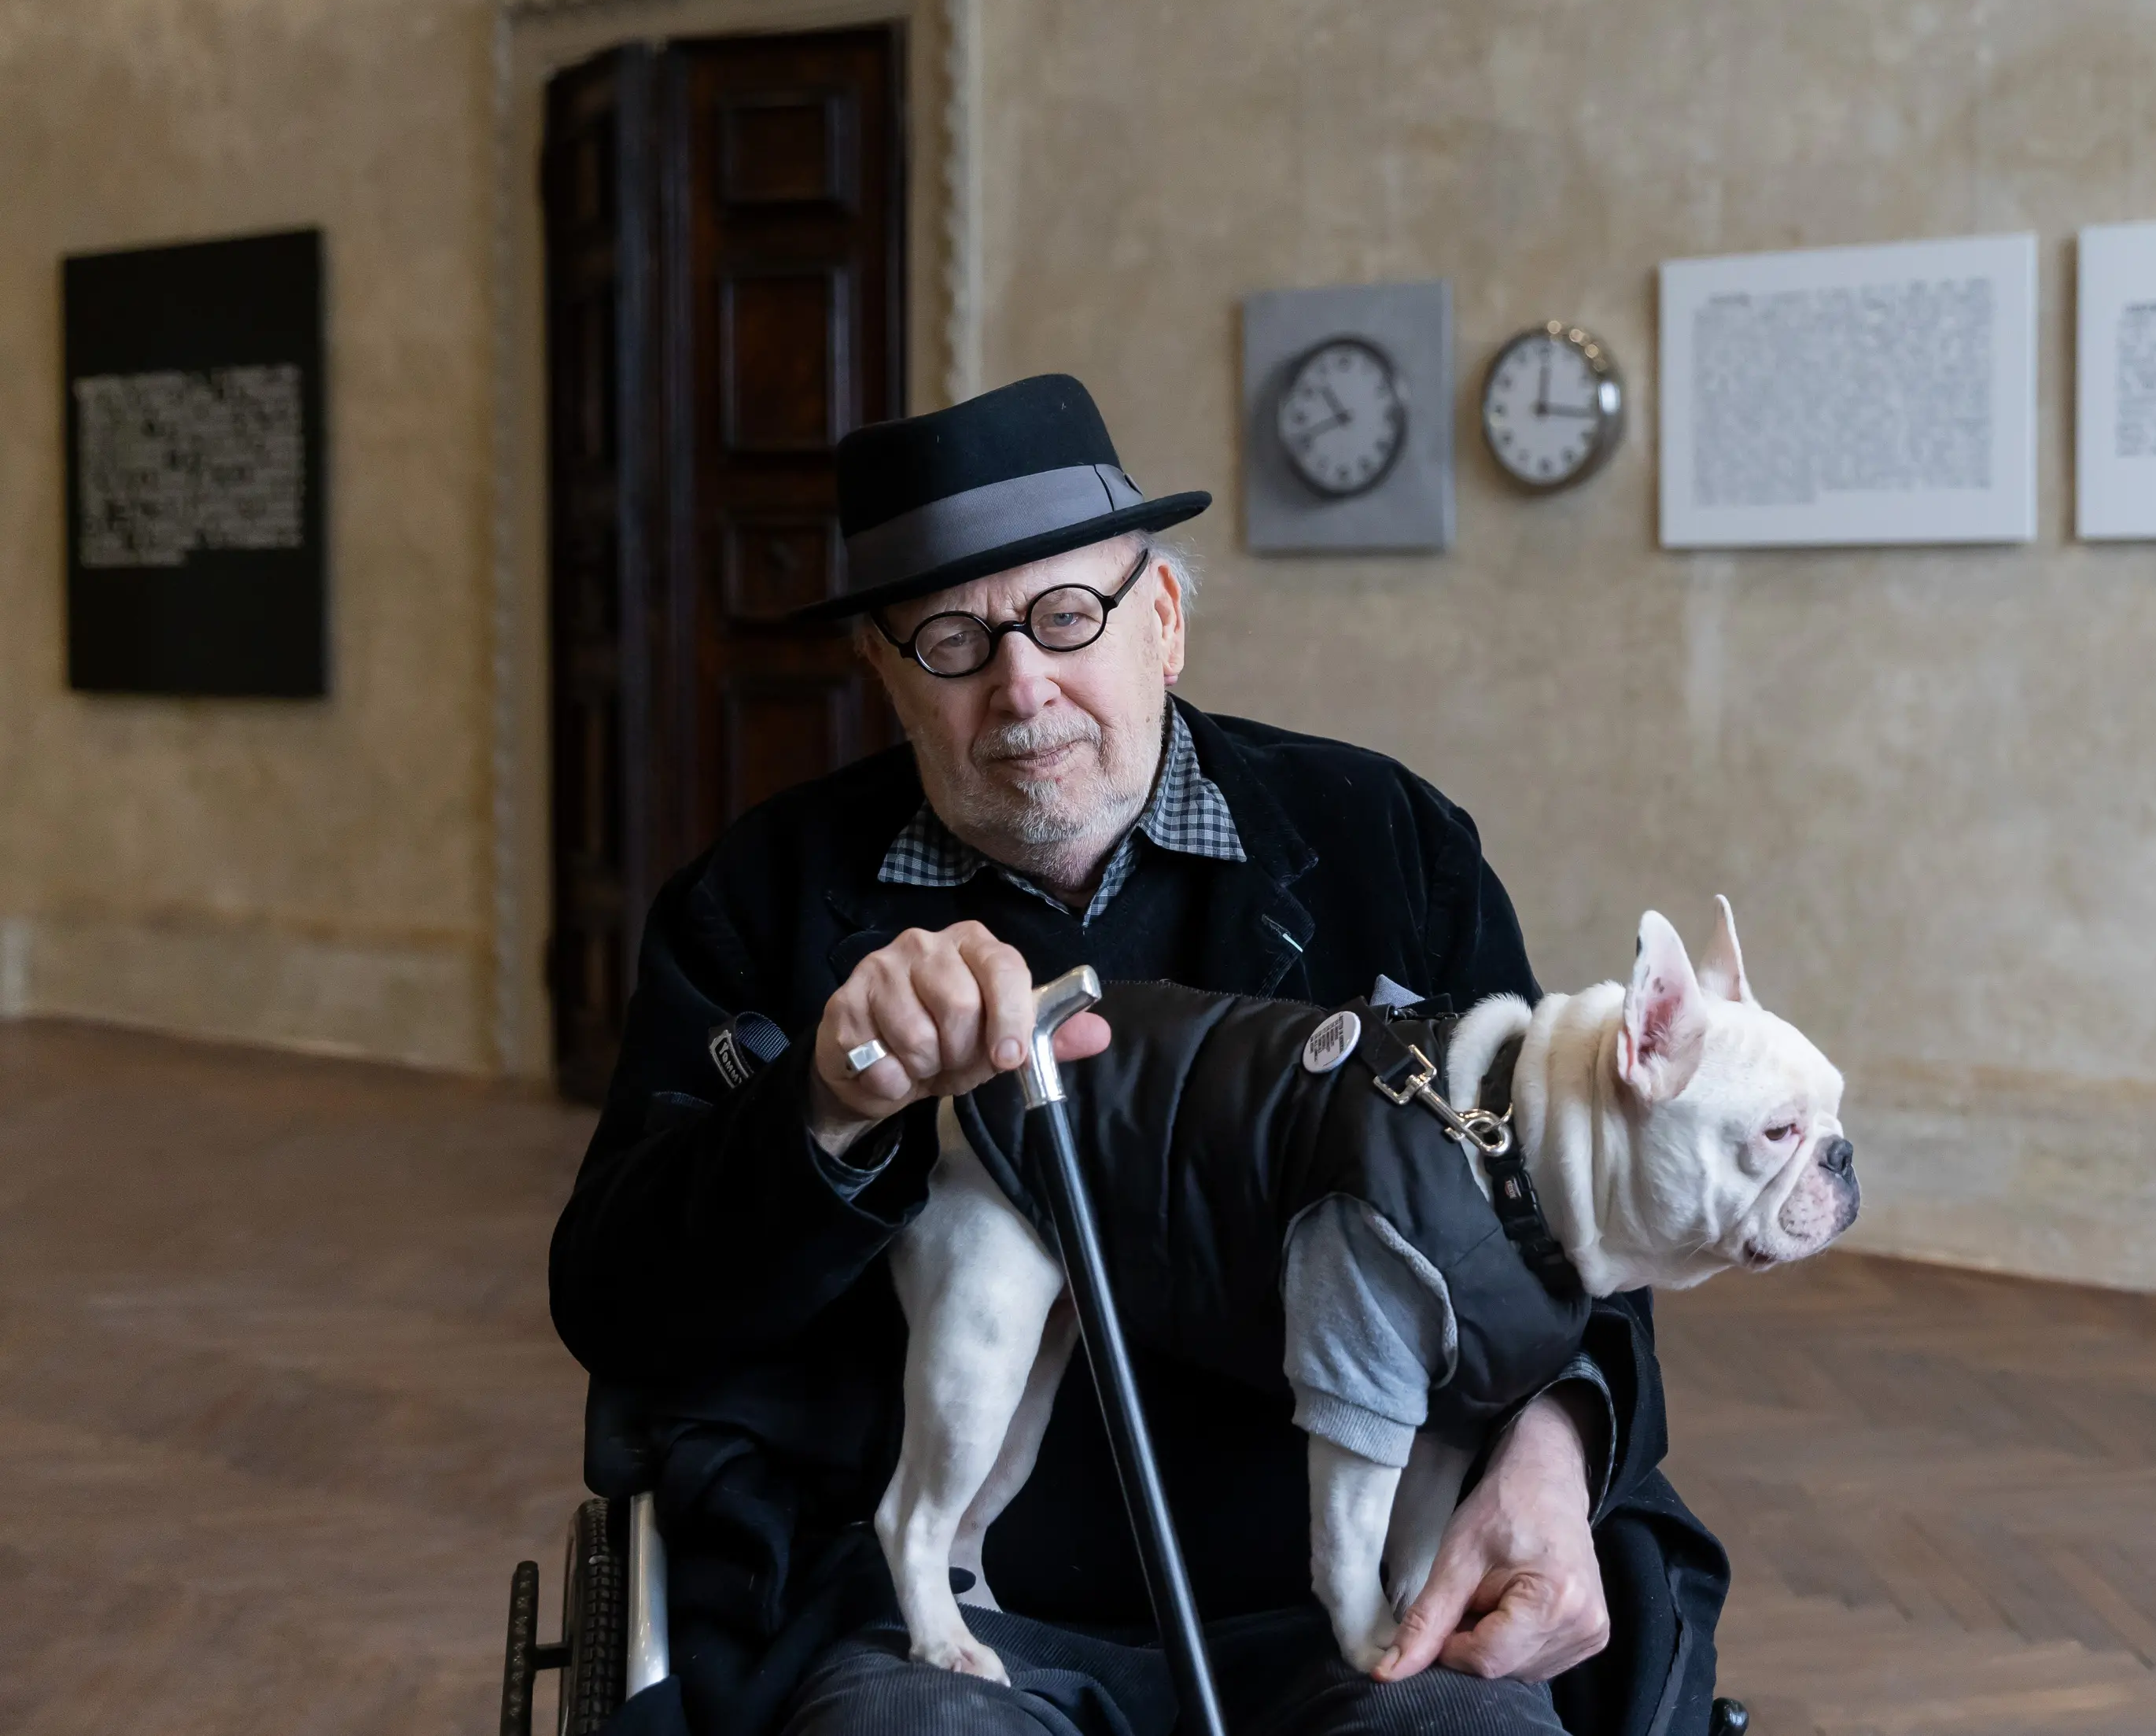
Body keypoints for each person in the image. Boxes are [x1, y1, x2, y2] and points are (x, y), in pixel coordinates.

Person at [550, 375, 1728, 1736]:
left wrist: (1552, 1444)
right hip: (920, 1618)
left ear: (1161, 618)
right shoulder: (756, 903)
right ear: (882, 672)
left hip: (1362, 1598)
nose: (1021, 687)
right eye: (951, 639)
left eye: (1066, 616)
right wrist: (823, 1106)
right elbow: (618, 1298)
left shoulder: (1382, 841)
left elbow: (1585, 1210)